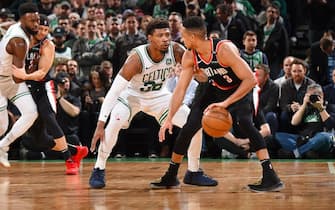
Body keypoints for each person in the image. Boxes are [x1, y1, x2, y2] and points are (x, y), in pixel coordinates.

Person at [151, 16, 283, 192]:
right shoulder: (190, 56)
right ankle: (171, 175)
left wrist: (225, 103)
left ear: (192, 37)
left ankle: (270, 176)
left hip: (240, 88)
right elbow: (180, 90)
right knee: (189, 126)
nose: (181, 39)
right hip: (214, 88)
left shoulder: (224, 49)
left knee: (245, 123)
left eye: (183, 35)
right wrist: (169, 118)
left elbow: (251, 80)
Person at [88, 18, 217, 189]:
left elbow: (198, 72)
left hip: (159, 96)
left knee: (193, 124)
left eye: (167, 35)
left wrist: (207, 75)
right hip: (131, 97)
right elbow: (114, 92)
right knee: (115, 122)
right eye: (160, 35)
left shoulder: (177, 50)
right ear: (149, 38)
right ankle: (99, 167)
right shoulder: (136, 59)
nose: (165, 38)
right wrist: (100, 123)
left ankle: (193, 172)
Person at [11, 15, 88, 175]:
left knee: (49, 118)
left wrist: (23, 75)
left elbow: (42, 73)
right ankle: (76, 151)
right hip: (28, 89)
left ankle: (69, 160)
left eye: (46, 30)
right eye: (41, 29)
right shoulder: (21, 40)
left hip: (44, 87)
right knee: (38, 140)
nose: (43, 32)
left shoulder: (48, 44)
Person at [0, 3, 40, 167]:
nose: (36, 24)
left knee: (31, 113)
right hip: (3, 79)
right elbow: (18, 78)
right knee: (2, 127)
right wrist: (35, 73)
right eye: (32, 21)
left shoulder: (18, 26)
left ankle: (3, 146)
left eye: (37, 20)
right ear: (22, 20)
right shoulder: (19, 42)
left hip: (9, 77)